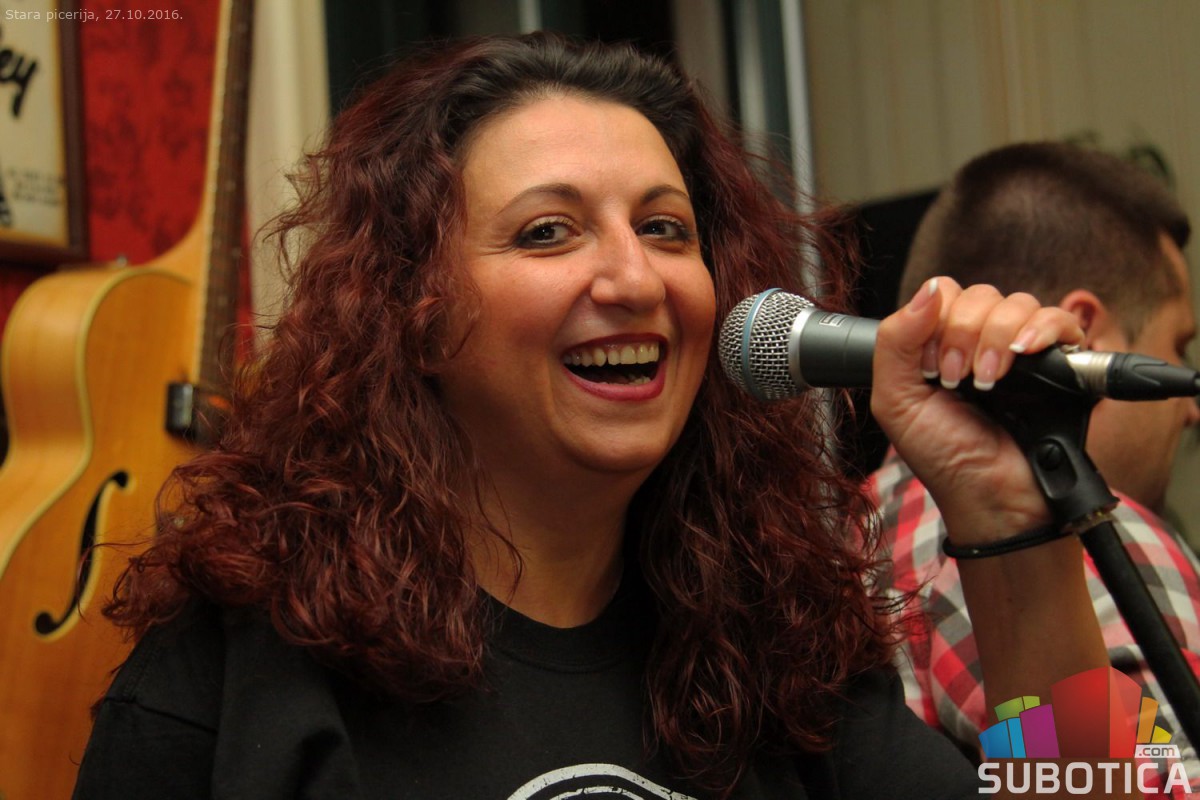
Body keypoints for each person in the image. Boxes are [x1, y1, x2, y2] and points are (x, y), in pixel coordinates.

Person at [73, 35, 1108, 799]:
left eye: (664, 228)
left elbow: (1098, 790)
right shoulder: (235, 672)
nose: (634, 278)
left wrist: (1011, 521)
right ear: (412, 312)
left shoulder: (780, 656)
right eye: (548, 231)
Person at [871, 141, 1200, 793]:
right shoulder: (1092, 546)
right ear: (1087, 336)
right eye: (1177, 346)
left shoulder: (835, 532)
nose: (1189, 410)